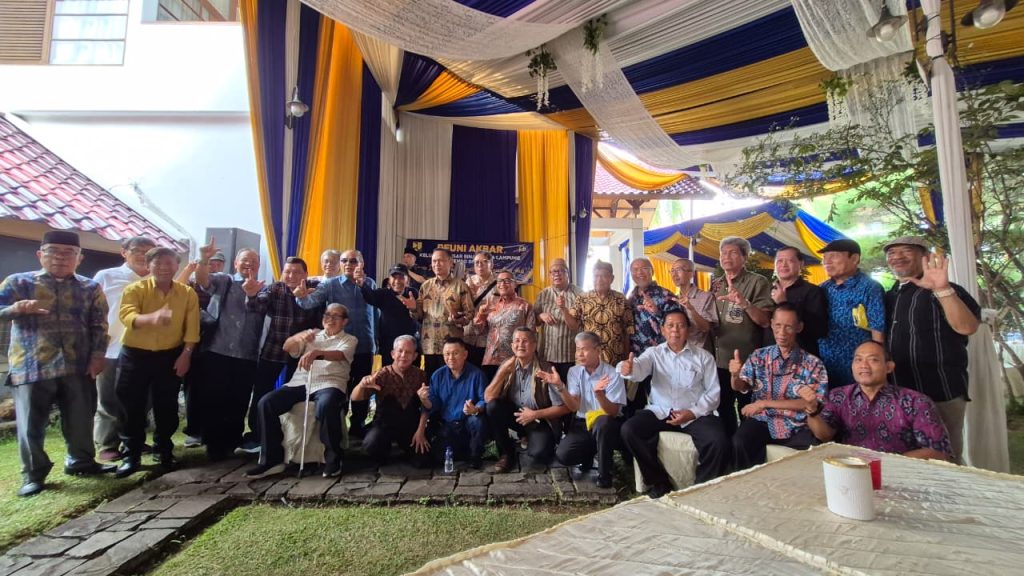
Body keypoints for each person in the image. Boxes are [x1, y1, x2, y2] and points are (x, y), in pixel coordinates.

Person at [0, 230, 116, 497]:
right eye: (53, 252)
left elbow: (99, 324)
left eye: (69, 253)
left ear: (79, 258)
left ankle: (81, 462)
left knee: (80, 419)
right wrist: (15, 309)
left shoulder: (90, 287)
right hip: (32, 364)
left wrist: (98, 355)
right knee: (31, 425)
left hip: (77, 364)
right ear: (40, 254)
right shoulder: (18, 282)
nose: (61, 258)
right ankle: (33, 474)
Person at [883, 236, 980, 462]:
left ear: (925, 257)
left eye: (906, 251)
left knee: (946, 459)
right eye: (891, 253)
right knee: (909, 457)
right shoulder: (889, 296)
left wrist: (942, 288)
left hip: (940, 390)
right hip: (900, 392)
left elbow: (967, 327)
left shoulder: (947, 290)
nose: (897, 257)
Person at [618, 310, 730, 497]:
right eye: (670, 325)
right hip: (662, 411)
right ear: (662, 330)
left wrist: (692, 413)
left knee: (718, 441)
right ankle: (659, 482)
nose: (675, 330)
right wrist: (629, 369)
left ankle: (701, 488)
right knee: (630, 430)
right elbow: (639, 368)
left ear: (688, 330)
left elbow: (713, 393)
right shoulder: (654, 353)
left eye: (680, 325)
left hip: (694, 413)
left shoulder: (704, 357)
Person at [114, 247, 200, 477]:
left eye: (169, 263)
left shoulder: (186, 293)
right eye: (158, 263)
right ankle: (131, 455)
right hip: (135, 355)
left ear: (177, 266)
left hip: (170, 355)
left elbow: (192, 328)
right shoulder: (135, 289)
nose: (164, 267)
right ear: (148, 266)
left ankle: (163, 450)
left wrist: (186, 354)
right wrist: (150, 318)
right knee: (131, 405)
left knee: (167, 406)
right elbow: (127, 315)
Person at [245, 303, 356, 479]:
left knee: (327, 405)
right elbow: (287, 347)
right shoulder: (312, 335)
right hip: (300, 382)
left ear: (345, 321)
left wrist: (316, 353)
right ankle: (272, 459)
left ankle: (333, 458)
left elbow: (340, 355)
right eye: (327, 315)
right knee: (266, 403)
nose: (330, 319)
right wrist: (298, 337)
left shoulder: (349, 339)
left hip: (330, 383)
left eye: (336, 316)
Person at [798, 340, 952, 460]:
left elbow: (938, 451)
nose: (864, 365)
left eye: (873, 360)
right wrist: (812, 411)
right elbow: (824, 435)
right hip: (853, 472)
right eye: (858, 360)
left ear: (889, 367)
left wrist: (887, 463)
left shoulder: (915, 401)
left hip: (901, 474)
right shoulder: (838, 396)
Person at [236, 256, 322, 454]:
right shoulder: (275, 289)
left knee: (294, 395)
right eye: (287, 272)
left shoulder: (314, 289)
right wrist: (251, 295)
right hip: (274, 349)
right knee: (261, 391)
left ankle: (288, 436)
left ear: (306, 274)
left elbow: (322, 318)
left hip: (301, 354)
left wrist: (306, 298)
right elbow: (258, 306)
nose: (291, 276)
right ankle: (257, 436)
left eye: (296, 272)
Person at [729, 304, 827, 471]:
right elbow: (740, 386)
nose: (782, 332)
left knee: (817, 454)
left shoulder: (813, 364)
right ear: (772, 324)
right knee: (740, 441)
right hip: (762, 420)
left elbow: (811, 402)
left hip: (797, 424)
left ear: (799, 327)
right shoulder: (759, 356)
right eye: (778, 325)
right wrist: (735, 375)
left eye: (788, 327)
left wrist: (764, 403)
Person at [192, 241, 266, 460]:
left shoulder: (264, 288)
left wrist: (253, 294)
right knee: (214, 398)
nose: (249, 264)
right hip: (218, 349)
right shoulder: (224, 280)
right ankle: (213, 445)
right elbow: (202, 280)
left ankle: (232, 441)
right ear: (235, 263)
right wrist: (204, 258)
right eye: (245, 260)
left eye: (254, 261)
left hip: (247, 354)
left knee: (239, 400)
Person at [294, 249, 378, 435]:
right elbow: (309, 302)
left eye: (353, 261)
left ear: (362, 263)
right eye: (344, 260)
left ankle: (357, 426)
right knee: (339, 387)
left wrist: (375, 340)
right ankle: (337, 429)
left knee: (362, 387)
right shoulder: (330, 285)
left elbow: (374, 313)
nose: (348, 264)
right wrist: (300, 297)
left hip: (365, 345)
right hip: (339, 348)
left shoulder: (370, 283)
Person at [92, 235, 156, 461]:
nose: (143, 256)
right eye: (138, 251)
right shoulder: (106, 276)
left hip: (147, 349)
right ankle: (107, 444)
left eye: (149, 253)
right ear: (124, 252)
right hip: (112, 348)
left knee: (142, 399)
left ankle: (134, 439)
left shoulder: (157, 279)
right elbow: (93, 311)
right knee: (109, 399)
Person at [543, 332, 627, 488]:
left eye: (584, 349)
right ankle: (590, 452)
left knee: (603, 423)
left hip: (608, 424)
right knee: (563, 456)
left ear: (598, 350)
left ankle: (604, 474)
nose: (579, 354)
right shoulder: (574, 372)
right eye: (577, 349)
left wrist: (599, 394)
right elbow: (574, 406)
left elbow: (613, 411)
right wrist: (560, 387)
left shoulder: (612, 374)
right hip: (583, 423)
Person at [711, 236, 773, 438]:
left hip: (747, 360)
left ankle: (746, 448)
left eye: (733, 252)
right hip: (719, 359)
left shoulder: (757, 282)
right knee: (723, 407)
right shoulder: (716, 284)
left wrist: (744, 303)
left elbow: (765, 321)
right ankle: (728, 448)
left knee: (748, 409)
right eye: (723, 253)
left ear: (745, 257)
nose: (726, 257)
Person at [484, 327, 569, 473]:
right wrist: (502, 373)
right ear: (512, 346)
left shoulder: (546, 369)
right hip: (516, 415)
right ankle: (507, 452)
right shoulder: (507, 365)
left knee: (539, 454)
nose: (520, 345)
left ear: (534, 345)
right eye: (517, 341)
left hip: (539, 419)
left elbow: (565, 407)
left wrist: (535, 414)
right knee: (493, 407)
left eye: (525, 341)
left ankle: (530, 438)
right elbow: (488, 397)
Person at [817, 239, 885, 388]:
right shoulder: (822, 288)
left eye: (833, 256)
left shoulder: (869, 287)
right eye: (824, 258)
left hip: (859, 365)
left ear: (854, 258)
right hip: (825, 363)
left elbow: (878, 328)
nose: (827, 262)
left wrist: (878, 361)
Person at [350, 335, 428, 464]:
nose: (403, 355)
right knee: (372, 445)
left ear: (415, 356)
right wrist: (361, 385)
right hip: (384, 424)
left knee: (423, 458)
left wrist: (421, 431)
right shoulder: (382, 374)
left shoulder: (420, 375)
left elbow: (427, 407)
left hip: (410, 424)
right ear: (392, 354)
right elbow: (355, 398)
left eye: (408, 352)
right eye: (400, 351)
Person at [414, 337, 488, 469]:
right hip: (448, 424)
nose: (450, 358)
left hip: (468, 422)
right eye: (447, 354)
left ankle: (475, 456)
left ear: (465, 354)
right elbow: (434, 404)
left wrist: (475, 409)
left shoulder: (477, 374)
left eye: (455, 353)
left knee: (477, 421)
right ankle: (462, 452)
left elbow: (485, 400)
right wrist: (424, 400)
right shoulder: (438, 375)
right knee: (436, 457)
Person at [405, 248, 474, 376]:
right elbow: (419, 316)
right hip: (429, 344)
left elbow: (470, 313)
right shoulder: (426, 286)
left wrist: (457, 319)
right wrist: (413, 308)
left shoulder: (460, 286)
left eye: (441, 260)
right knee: (431, 380)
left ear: (451, 262)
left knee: (451, 380)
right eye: (434, 261)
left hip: (452, 348)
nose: (437, 264)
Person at [625, 257, 680, 409]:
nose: (639, 273)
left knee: (662, 402)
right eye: (635, 270)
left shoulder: (665, 294)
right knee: (634, 402)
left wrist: (657, 312)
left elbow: (677, 324)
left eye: (644, 269)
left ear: (652, 271)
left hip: (660, 358)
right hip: (636, 358)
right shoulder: (631, 297)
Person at [565, 260, 632, 367]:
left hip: (615, 359)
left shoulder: (621, 299)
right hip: (588, 359)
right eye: (596, 276)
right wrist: (563, 309)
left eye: (604, 276)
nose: (599, 280)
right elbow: (573, 326)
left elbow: (628, 331)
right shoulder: (582, 299)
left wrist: (627, 358)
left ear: (612, 278)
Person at [474, 270, 535, 381]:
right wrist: (481, 314)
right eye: (499, 281)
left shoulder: (525, 306)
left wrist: (527, 359)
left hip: (514, 360)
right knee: (491, 391)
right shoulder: (492, 305)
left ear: (515, 284)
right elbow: (478, 331)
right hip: (490, 359)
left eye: (507, 281)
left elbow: (531, 335)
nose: (502, 284)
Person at [767, 246, 828, 356]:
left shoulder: (813, 291)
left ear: (801, 264)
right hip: (769, 355)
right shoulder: (768, 289)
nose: (784, 265)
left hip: (801, 356)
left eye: (790, 261)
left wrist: (784, 303)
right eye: (779, 261)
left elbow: (818, 330)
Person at [359, 264, 420, 367]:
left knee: (413, 372)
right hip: (388, 343)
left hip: (410, 341)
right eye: (394, 277)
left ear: (408, 280)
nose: (397, 281)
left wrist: (414, 308)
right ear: (389, 280)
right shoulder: (383, 294)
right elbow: (370, 296)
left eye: (401, 277)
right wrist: (362, 284)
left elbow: (421, 314)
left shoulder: (413, 293)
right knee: (389, 372)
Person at [533, 258, 583, 383]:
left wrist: (563, 309)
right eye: (553, 271)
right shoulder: (543, 294)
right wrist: (541, 316)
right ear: (549, 275)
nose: (557, 274)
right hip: (547, 355)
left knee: (569, 390)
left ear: (567, 273)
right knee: (548, 390)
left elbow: (576, 327)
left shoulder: (579, 294)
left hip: (570, 356)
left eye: (561, 270)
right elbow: (534, 320)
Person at [668, 258, 717, 354]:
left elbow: (706, 328)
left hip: (698, 353)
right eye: (672, 271)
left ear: (691, 274)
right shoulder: (674, 299)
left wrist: (692, 310)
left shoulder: (705, 296)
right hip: (677, 352)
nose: (674, 274)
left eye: (678, 270)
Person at [464, 251, 497, 368]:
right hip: (469, 335)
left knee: (488, 372)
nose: (480, 265)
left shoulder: (499, 282)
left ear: (491, 264)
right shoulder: (468, 282)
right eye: (476, 262)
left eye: (484, 262)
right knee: (470, 370)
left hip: (490, 337)